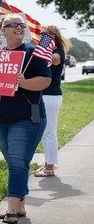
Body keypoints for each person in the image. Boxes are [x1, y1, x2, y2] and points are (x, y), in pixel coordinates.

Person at [0, 14, 51, 224]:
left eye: (21, 25)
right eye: (13, 24)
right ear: (3, 30)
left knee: (17, 161)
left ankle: (10, 209)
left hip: (26, 119)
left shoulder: (33, 53)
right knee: (15, 163)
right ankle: (21, 205)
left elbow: (45, 81)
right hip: (0, 119)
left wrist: (23, 82)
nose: (19, 27)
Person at [34, 25, 71, 177]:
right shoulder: (41, 51)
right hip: (39, 95)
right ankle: (48, 160)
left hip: (51, 96)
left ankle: (50, 166)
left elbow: (55, 60)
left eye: (45, 34)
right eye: (40, 34)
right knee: (42, 130)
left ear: (53, 36)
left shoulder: (57, 52)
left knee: (49, 131)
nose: (41, 37)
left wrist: (42, 48)